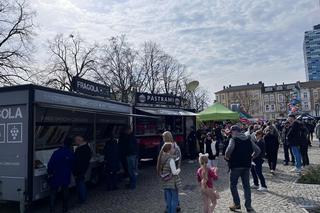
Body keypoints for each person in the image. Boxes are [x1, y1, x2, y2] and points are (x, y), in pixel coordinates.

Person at [225, 125, 260, 212]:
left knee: (233, 185)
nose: (231, 134)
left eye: (231, 132)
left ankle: (236, 204)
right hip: (246, 166)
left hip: (236, 166)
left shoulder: (233, 139)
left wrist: (227, 157)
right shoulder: (248, 139)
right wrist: (251, 157)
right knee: (246, 186)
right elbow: (258, 150)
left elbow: (228, 150)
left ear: (234, 131)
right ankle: (248, 206)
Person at [48, 137, 75, 213]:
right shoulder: (70, 153)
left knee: (53, 192)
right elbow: (73, 164)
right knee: (65, 191)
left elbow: (50, 164)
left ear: (63, 144)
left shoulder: (56, 152)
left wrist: (49, 172)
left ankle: (52, 209)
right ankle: (65, 208)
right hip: (65, 175)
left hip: (55, 175)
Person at [157, 143, 182, 213]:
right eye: (173, 148)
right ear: (169, 150)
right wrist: (179, 169)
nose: (174, 149)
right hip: (172, 183)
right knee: (174, 200)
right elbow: (174, 172)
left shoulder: (162, 158)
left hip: (165, 182)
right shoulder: (171, 159)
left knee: (168, 200)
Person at [163, 131, 182, 212]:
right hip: (168, 173)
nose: (163, 139)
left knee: (172, 193)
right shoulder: (165, 146)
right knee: (169, 193)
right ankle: (170, 208)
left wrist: (177, 169)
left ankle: (172, 208)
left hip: (171, 173)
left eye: (164, 137)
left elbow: (178, 159)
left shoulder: (174, 147)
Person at [73, 136, 92, 204]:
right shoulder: (86, 148)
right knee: (80, 183)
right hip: (82, 169)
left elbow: (79, 161)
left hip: (80, 170)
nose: (75, 142)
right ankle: (82, 198)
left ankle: (82, 199)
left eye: (75, 140)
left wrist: (78, 170)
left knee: (80, 184)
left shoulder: (82, 149)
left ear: (79, 140)